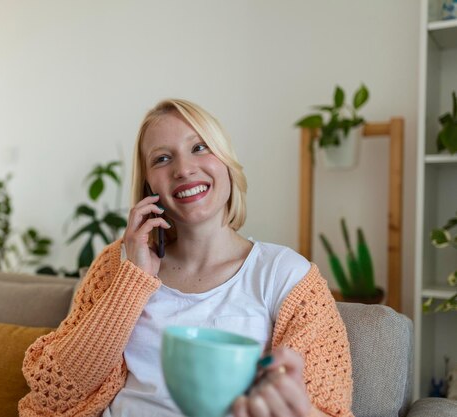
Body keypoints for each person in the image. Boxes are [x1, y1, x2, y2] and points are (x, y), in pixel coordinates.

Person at [19, 99, 353, 417]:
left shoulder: (287, 276)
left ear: (225, 161)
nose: (183, 169)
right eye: (162, 159)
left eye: (199, 147)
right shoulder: (118, 264)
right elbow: (54, 393)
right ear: (150, 187)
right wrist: (133, 282)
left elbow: (326, 408)